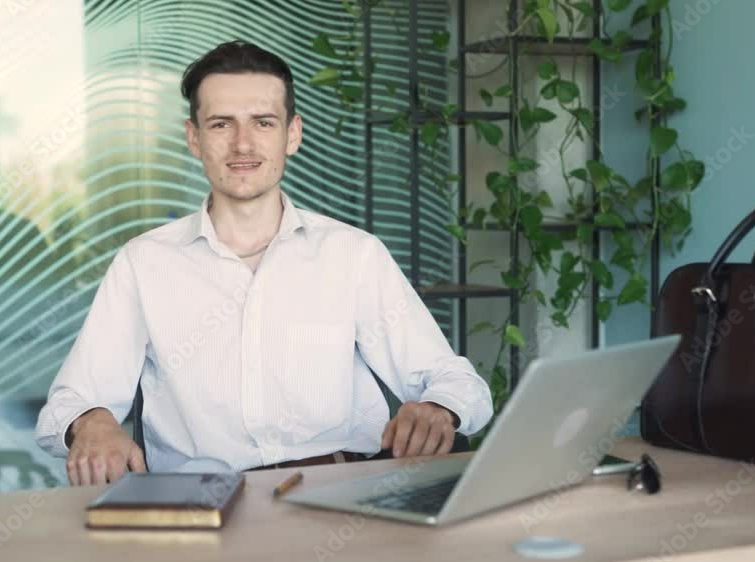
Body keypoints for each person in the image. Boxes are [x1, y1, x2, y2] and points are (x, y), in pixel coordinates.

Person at [35, 40, 492, 484]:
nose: (243, 145)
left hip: (339, 495)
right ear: (194, 138)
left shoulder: (353, 255)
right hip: (198, 506)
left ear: (293, 134)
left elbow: (456, 381)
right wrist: (91, 421)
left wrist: (439, 408)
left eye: (263, 123)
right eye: (221, 124)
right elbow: (70, 401)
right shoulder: (143, 264)